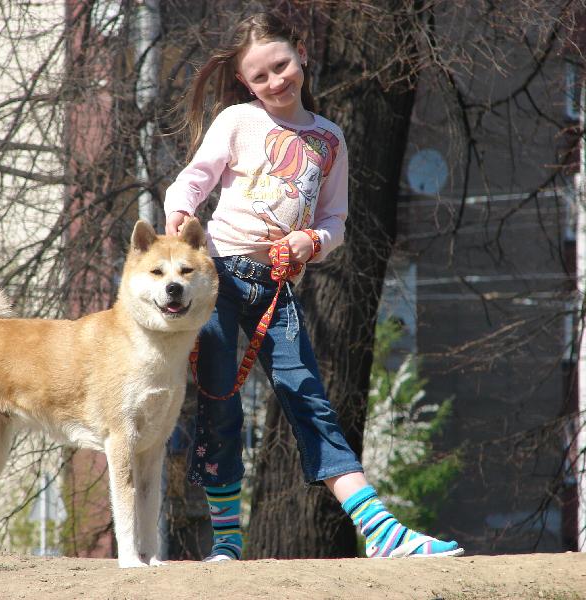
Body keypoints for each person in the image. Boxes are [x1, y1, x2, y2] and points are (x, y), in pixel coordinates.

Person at [164, 12, 463, 561]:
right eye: (260, 77)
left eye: (281, 65)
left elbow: (335, 221)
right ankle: (227, 541)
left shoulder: (330, 138)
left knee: (311, 402)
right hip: (219, 283)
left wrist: (310, 243)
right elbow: (194, 178)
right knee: (220, 405)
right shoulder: (237, 122)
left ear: (300, 53)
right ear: (246, 84)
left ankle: (382, 532)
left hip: (278, 291)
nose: (275, 81)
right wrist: (180, 214)